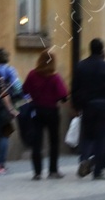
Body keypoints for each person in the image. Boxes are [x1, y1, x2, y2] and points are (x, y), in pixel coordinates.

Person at [73, 38, 105, 179]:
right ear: (102, 49)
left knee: (87, 136)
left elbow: (75, 88)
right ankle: (97, 171)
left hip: (88, 105)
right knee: (102, 138)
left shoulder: (81, 66)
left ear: (90, 49)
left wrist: (76, 106)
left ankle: (84, 159)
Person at [22, 50, 69, 179]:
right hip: (52, 111)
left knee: (37, 142)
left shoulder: (32, 74)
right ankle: (53, 170)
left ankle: (37, 172)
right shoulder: (55, 77)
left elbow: (24, 91)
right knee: (54, 141)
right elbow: (64, 96)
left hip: (36, 110)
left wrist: (32, 99)